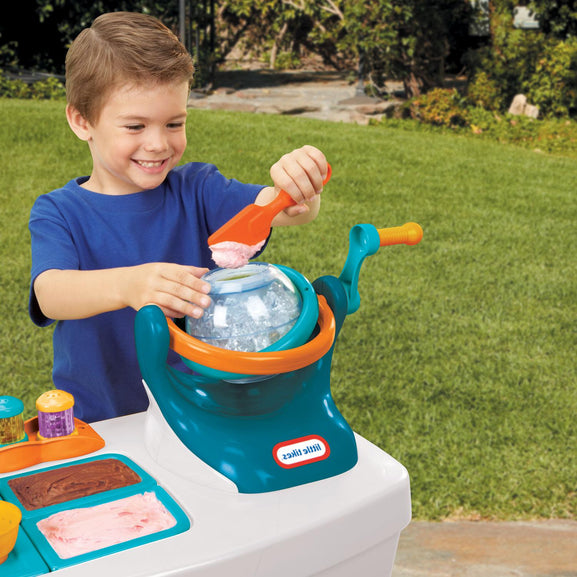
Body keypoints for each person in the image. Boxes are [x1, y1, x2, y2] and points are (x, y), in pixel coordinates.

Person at [28, 12, 328, 423]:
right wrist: (130, 284)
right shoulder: (59, 211)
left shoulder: (199, 189)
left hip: (203, 411)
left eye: (174, 123)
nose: (157, 144)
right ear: (82, 121)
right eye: (135, 125)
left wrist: (301, 184)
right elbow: (51, 293)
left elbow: (285, 210)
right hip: (103, 422)